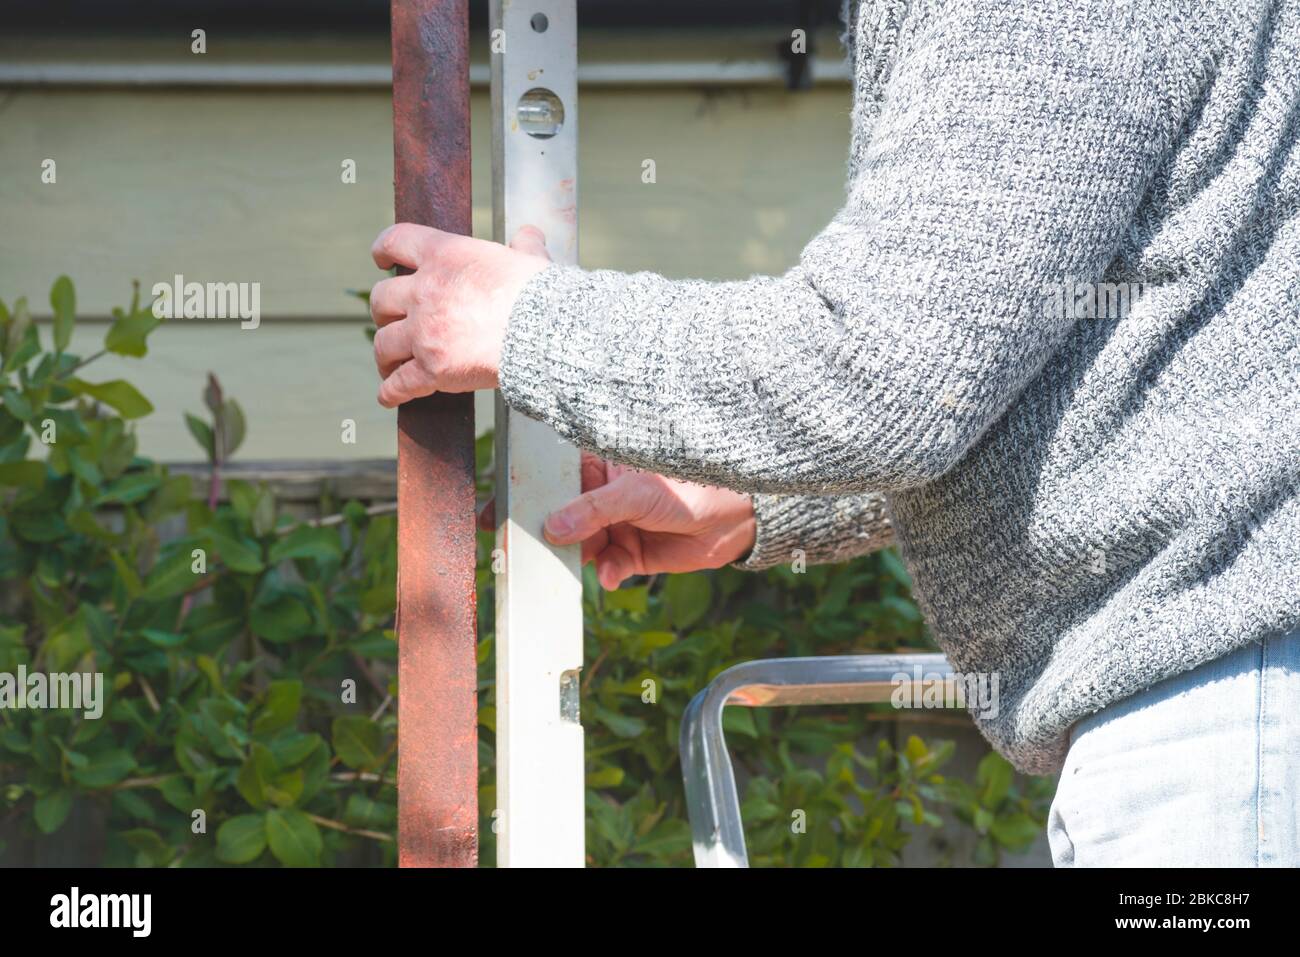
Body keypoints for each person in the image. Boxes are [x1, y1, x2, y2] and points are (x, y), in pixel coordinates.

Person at [367, 0, 1300, 866]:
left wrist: (528, 324)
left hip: (1229, 743)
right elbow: (1084, 352)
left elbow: (885, 373)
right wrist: (764, 499)